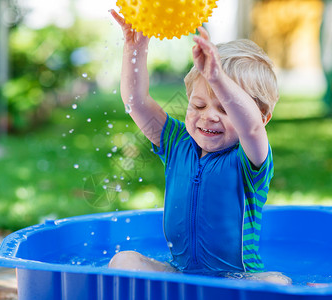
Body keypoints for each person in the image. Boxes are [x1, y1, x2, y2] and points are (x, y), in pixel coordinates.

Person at [108, 9, 291, 285]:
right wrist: (135, 49)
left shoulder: (250, 159)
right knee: (125, 261)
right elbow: (136, 101)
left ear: (263, 116)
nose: (209, 116)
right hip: (181, 277)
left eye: (225, 108)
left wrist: (218, 78)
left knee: (276, 283)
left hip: (237, 279)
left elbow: (251, 127)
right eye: (198, 105)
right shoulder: (176, 143)